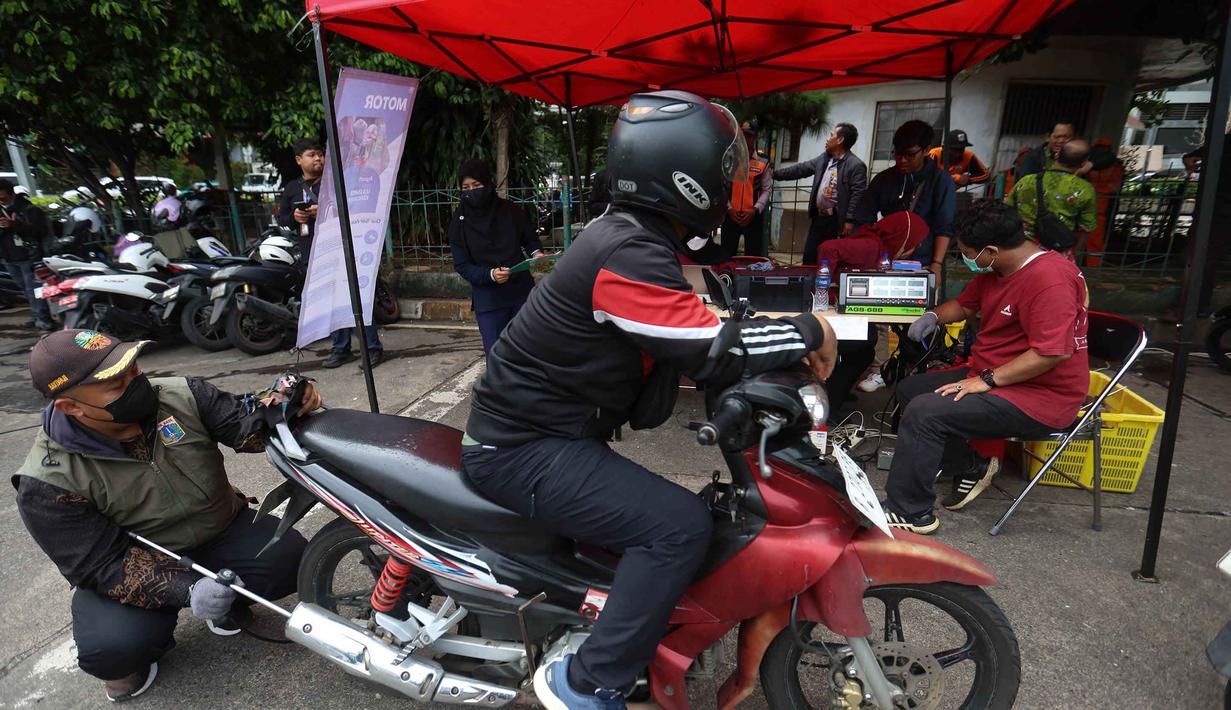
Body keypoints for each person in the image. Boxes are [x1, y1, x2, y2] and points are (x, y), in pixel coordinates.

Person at [461, 90, 837, 709]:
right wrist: (811, 328)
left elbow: (694, 319)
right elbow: (709, 347)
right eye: (724, 170)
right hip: (522, 447)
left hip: (549, 433)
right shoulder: (626, 251)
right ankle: (587, 683)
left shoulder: (633, 238)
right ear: (686, 176)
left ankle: (626, 631)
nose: (732, 183)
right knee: (677, 527)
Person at [12, 330, 320, 701]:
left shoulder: (184, 395)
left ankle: (229, 603)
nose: (136, 384)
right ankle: (135, 663)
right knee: (112, 646)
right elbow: (98, 565)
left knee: (296, 559)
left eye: (134, 370)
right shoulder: (47, 481)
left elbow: (244, 425)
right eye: (115, 384)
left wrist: (286, 401)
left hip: (219, 529)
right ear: (70, 407)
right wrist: (187, 588)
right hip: (138, 560)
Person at [884, 200, 1089, 534]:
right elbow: (965, 305)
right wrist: (933, 316)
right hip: (997, 375)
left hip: (1040, 395)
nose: (965, 259)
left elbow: (1051, 353)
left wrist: (987, 380)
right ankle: (970, 464)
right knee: (910, 390)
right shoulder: (1000, 269)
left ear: (991, 251)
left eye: (967, 253)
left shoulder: (1050, 280)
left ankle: (909, 511)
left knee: (925, 412)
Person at [277, 138, 384, 369]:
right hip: (314, 255)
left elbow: (356, 209)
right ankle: (340, 349)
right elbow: (281, 220)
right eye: (311, 155)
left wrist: (326, 209)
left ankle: (372, 348)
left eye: (320, 154)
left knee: (356, 299)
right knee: (330, 303)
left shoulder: (337, 182)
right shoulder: (292, 188)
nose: (318, 158)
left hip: (343, 251)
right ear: (299, 160)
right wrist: (295, 217)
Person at [818, 212, 929, 417]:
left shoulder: (882, 250)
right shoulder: (870, 246)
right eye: (915, 243)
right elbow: (828, 248)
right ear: (903, 238)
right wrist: (827, 284)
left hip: (842, 311)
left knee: (864, 345)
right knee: (863, 347)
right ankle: (830, 406)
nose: (915, 249)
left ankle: (835, 394)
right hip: (829, 311)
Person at [448, 159, 547, 354]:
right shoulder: (459, 223)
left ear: (487, 183)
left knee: (528, 351)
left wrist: (537, 254)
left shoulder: (510, 211)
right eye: (466, 187)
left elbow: (529, 238)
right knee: (497, 355)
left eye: (476, 185)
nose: (472, 191)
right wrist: (490, 275)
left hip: (521, 293)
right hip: (489, 301)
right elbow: (462, 264)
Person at [854, 120, 956, 276]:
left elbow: (944, 226)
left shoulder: (941, 180)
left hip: (923, 264)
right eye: (898, 154)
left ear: (926, 150)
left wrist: (936, 264)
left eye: (910, 154)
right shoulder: (883, 179)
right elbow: (863, 218)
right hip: (886, 261)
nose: (902, 160)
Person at [772, 122, 867, 265]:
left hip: (837, 221)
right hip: (819, 218)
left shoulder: (855, 165)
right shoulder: (824, 159)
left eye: (831, 135)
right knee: (810, 256)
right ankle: (808, 280)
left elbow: (858, 194)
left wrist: (849, 220)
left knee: (831, 259)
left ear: (840, 140)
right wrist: (775, 174)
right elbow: (801, 169)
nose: (827, 138)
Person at [1005, 140, 1097, 261]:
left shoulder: (1026, 181)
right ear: (1083, 164)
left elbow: (1006, 211)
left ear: (1057, 155)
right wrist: (1072, 256)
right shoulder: (1085, 189)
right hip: (1056, 255)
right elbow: (1086, 228)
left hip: (1020, 251)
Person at [0, 178, 54, 330]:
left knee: (34, 289)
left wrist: (14, 225)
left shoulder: (29, 209)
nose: (1, 201)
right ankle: (37, 316)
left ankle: (43, 320)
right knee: (25, 289)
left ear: (11, 194)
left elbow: (40, 231)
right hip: (8, 257)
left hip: (29, 256)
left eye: (3, 198)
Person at [720, 120, 772, 257]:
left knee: (753, 258)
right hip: (731, 216)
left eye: (749, 136)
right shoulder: (730, 158)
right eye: (742, 135)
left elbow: (766, 189)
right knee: (726, 256)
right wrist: (729, 208)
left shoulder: (763, 162)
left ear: (755, 138)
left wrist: (755, 210)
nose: (745, 139)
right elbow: (721, 186)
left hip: (753, 217)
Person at [1082, 138, 1125, 267]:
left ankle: (1090, 266)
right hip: (1097, 206)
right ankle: (1090, 266)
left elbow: (1114, 186)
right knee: (1094, 240)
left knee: (1092, 240)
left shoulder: (1088, 163)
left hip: (1097, 206)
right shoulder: (1113, 164)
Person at [1015, 120, 1088, 180]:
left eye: (1066, 137)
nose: (1061, 141)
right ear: (1048, 137)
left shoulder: (1078, 159)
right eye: (1057, 137)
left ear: (1075, 137)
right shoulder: (1033, 157)